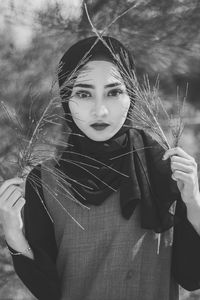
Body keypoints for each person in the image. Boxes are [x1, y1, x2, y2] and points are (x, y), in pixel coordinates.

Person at [1, 36, 200, 300]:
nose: (100, 110)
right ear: (65, 99)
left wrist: (194, 204)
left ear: (131, 95)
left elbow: (191, 276)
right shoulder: (45, 180)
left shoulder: (167, 169)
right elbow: (49, 292)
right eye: (83, 93)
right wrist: (14, 234)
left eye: (114, 91)